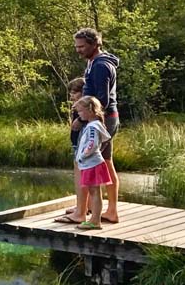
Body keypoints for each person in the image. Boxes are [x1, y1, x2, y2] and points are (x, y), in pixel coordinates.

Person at [68, 27, 120, 225]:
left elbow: (102, 99)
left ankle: (81, 213)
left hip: (101, 120)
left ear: (94, 44)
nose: (78, 50)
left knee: (82, 161)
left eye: (81, 46)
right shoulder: (94, 63)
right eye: (76, 46)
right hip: (106, 119)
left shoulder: (100, 66)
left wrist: (82, 119)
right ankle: (99, 209)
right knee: (105, 162)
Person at [72, 95, 112, 230]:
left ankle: (95, 221)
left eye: (81, 111)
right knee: (94, 191)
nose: (79, 114)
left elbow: (92, 144)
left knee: (94, 192)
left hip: (92, 164)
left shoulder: (93, 127)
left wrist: (82, 156)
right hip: (91, 163)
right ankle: (95, 220)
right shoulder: (93, 125)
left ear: (90, 110)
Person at [55, 77, 88, 224]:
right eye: (71, 93)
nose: (71, 96)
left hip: (80, 145)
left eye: (75, 92)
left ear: (83, 92)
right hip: (76, 143)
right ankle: (82, 206)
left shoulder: (84, 110)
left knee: (80, 172)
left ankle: (81, 210)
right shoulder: (76, 107)